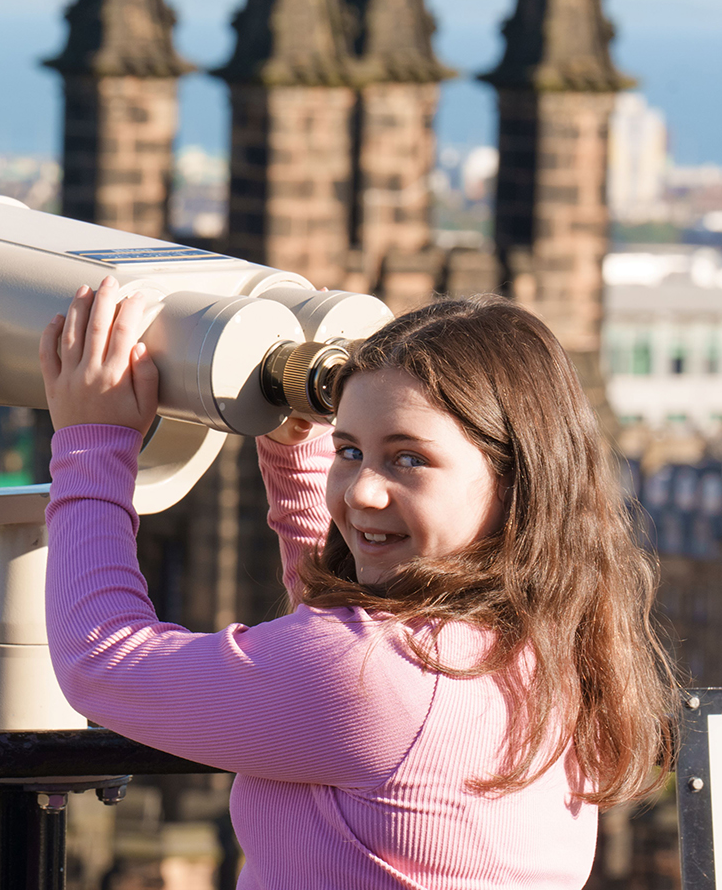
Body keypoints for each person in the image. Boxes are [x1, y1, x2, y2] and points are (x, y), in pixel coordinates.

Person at [37, 278, 676, 889]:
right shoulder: (549, 650)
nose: (364, 489)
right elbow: (332, 635)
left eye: (409, 458)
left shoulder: (371, 673)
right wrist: (296, 447)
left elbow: (101, 659)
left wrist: (93, 437)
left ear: (515, 478)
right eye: (349, 451)